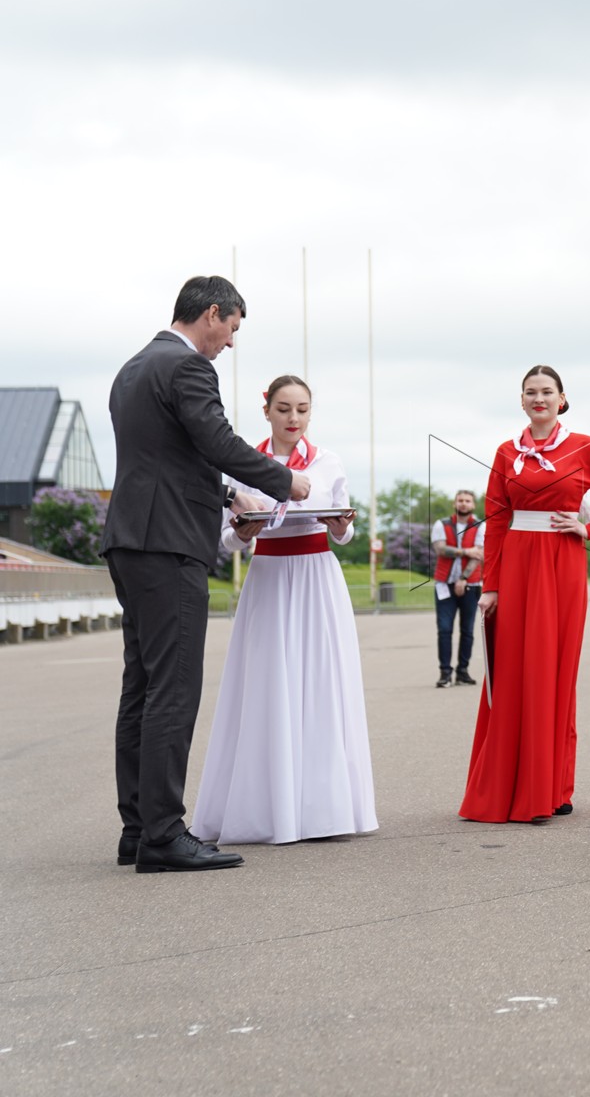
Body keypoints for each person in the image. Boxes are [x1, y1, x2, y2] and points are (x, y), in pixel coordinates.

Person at [102, 276, 311, 873]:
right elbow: (215, 439)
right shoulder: (190, 367)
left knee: (142, 685)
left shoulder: (134, 368)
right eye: (233, 329)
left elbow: (168, 455)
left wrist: (225, 497)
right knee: (174, 687)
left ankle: (138, 828)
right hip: (169, 545)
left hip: (131, 538)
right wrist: (281, 480)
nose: (231, 343)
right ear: (212, 314)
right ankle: (165, 836)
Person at [191, 376, 376, 845]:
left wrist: (341, 526)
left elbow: (344, 532)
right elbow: (227, 537)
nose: (294, 418)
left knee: (320, 682)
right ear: (267, 410)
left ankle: (324, 809)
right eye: (284, 409)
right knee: (267, 684)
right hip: (269, 577)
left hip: (318, 577)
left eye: (302, 410)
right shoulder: (242, 464)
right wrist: (244, 533)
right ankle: (268, 809)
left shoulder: (328, 461)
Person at [460, 365, 590, 824]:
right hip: (517, 564)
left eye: (546, 392)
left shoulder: (583, 447)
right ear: (521, 401)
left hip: (562, 563)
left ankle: (554, 786)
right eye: (530, 392)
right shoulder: (506, 452)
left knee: (555, 671)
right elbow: (497, 522)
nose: (538, 399)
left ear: (562, 399)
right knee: (516, 671)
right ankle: (515, 785)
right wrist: (491, 585)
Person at [432, 489, 485, 688]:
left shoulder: (480, 526)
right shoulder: (442, 524)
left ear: (473, 505)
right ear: (455, 503)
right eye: (460, 500)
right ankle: (445, 672)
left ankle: (463, 671)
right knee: (444, 629)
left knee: (467, 630)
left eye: (467, 501)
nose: (463, 503)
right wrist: (465, 551)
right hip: (444, 584)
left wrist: (463, 578)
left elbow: (479, 554)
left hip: (470, 584)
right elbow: (440, 549)